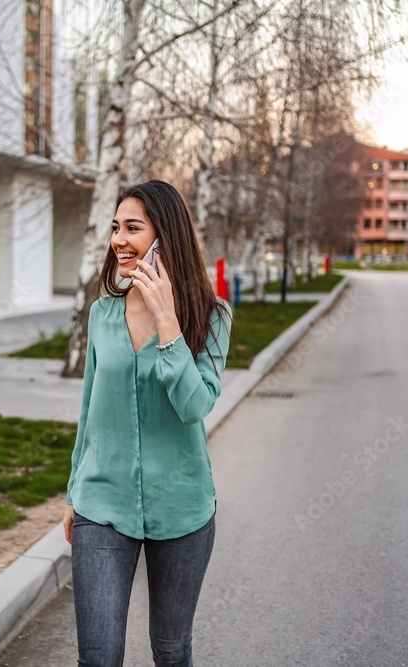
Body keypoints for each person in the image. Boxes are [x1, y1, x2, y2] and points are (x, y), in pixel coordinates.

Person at [63, 180, 233, 666]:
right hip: (102, 503)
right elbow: (89, 411)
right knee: (98, 657)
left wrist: (168, 324)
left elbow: (195, 406)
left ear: (166, 237)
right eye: (116, 227)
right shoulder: (102, 314)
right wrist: (75, 491)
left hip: (182, 509)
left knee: (171, 649)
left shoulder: (210, 316)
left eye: (133, 228)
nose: (119, 238)